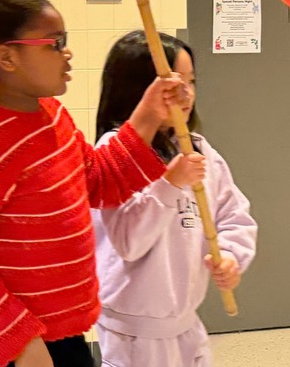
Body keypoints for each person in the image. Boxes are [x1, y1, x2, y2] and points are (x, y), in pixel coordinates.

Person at [0, 0, 188, 367]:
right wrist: (19, 342)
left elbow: (97, 182)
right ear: (7, 57)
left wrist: (149, 113)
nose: (68, 54)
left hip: (61, 338)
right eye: (55, 44)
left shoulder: (53, 116)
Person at [92, 31, 257, 367]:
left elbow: (233, 215)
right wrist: (169, 184)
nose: (187, 94)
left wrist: (229, 256)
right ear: (140, 91)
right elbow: (128, 243)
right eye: (174, 85)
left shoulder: (198, 149)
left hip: (184, 322)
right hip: (133, 332)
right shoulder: (115, 154)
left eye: (191, 82)